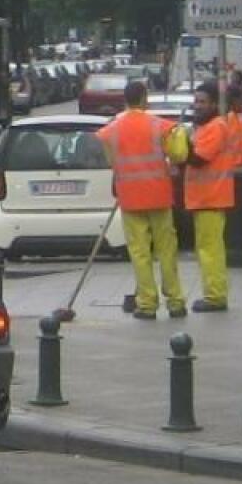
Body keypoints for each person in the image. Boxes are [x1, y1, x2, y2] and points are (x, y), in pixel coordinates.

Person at [96, 80, 186, 320]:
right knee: (166, 249)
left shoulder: (111, 130)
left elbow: (112, 162)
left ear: (125, 99)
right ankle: (175, 301)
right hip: (159, 195)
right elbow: (179, 154)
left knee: (139, 252)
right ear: (144, 98)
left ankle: (146, 304)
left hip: (131, 198)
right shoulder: (159, 126)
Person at [185, 80, 236, 312]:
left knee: (210, 251)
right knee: (207, 249)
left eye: (202, 102)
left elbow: (199, 158)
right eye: (195, 101)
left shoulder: (216, 126)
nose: (197, 106)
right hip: (205, 199)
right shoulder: (205, 127)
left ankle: (215, 297)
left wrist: (179, 147)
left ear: (214, 104)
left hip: (211, 198)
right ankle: (213, 293)